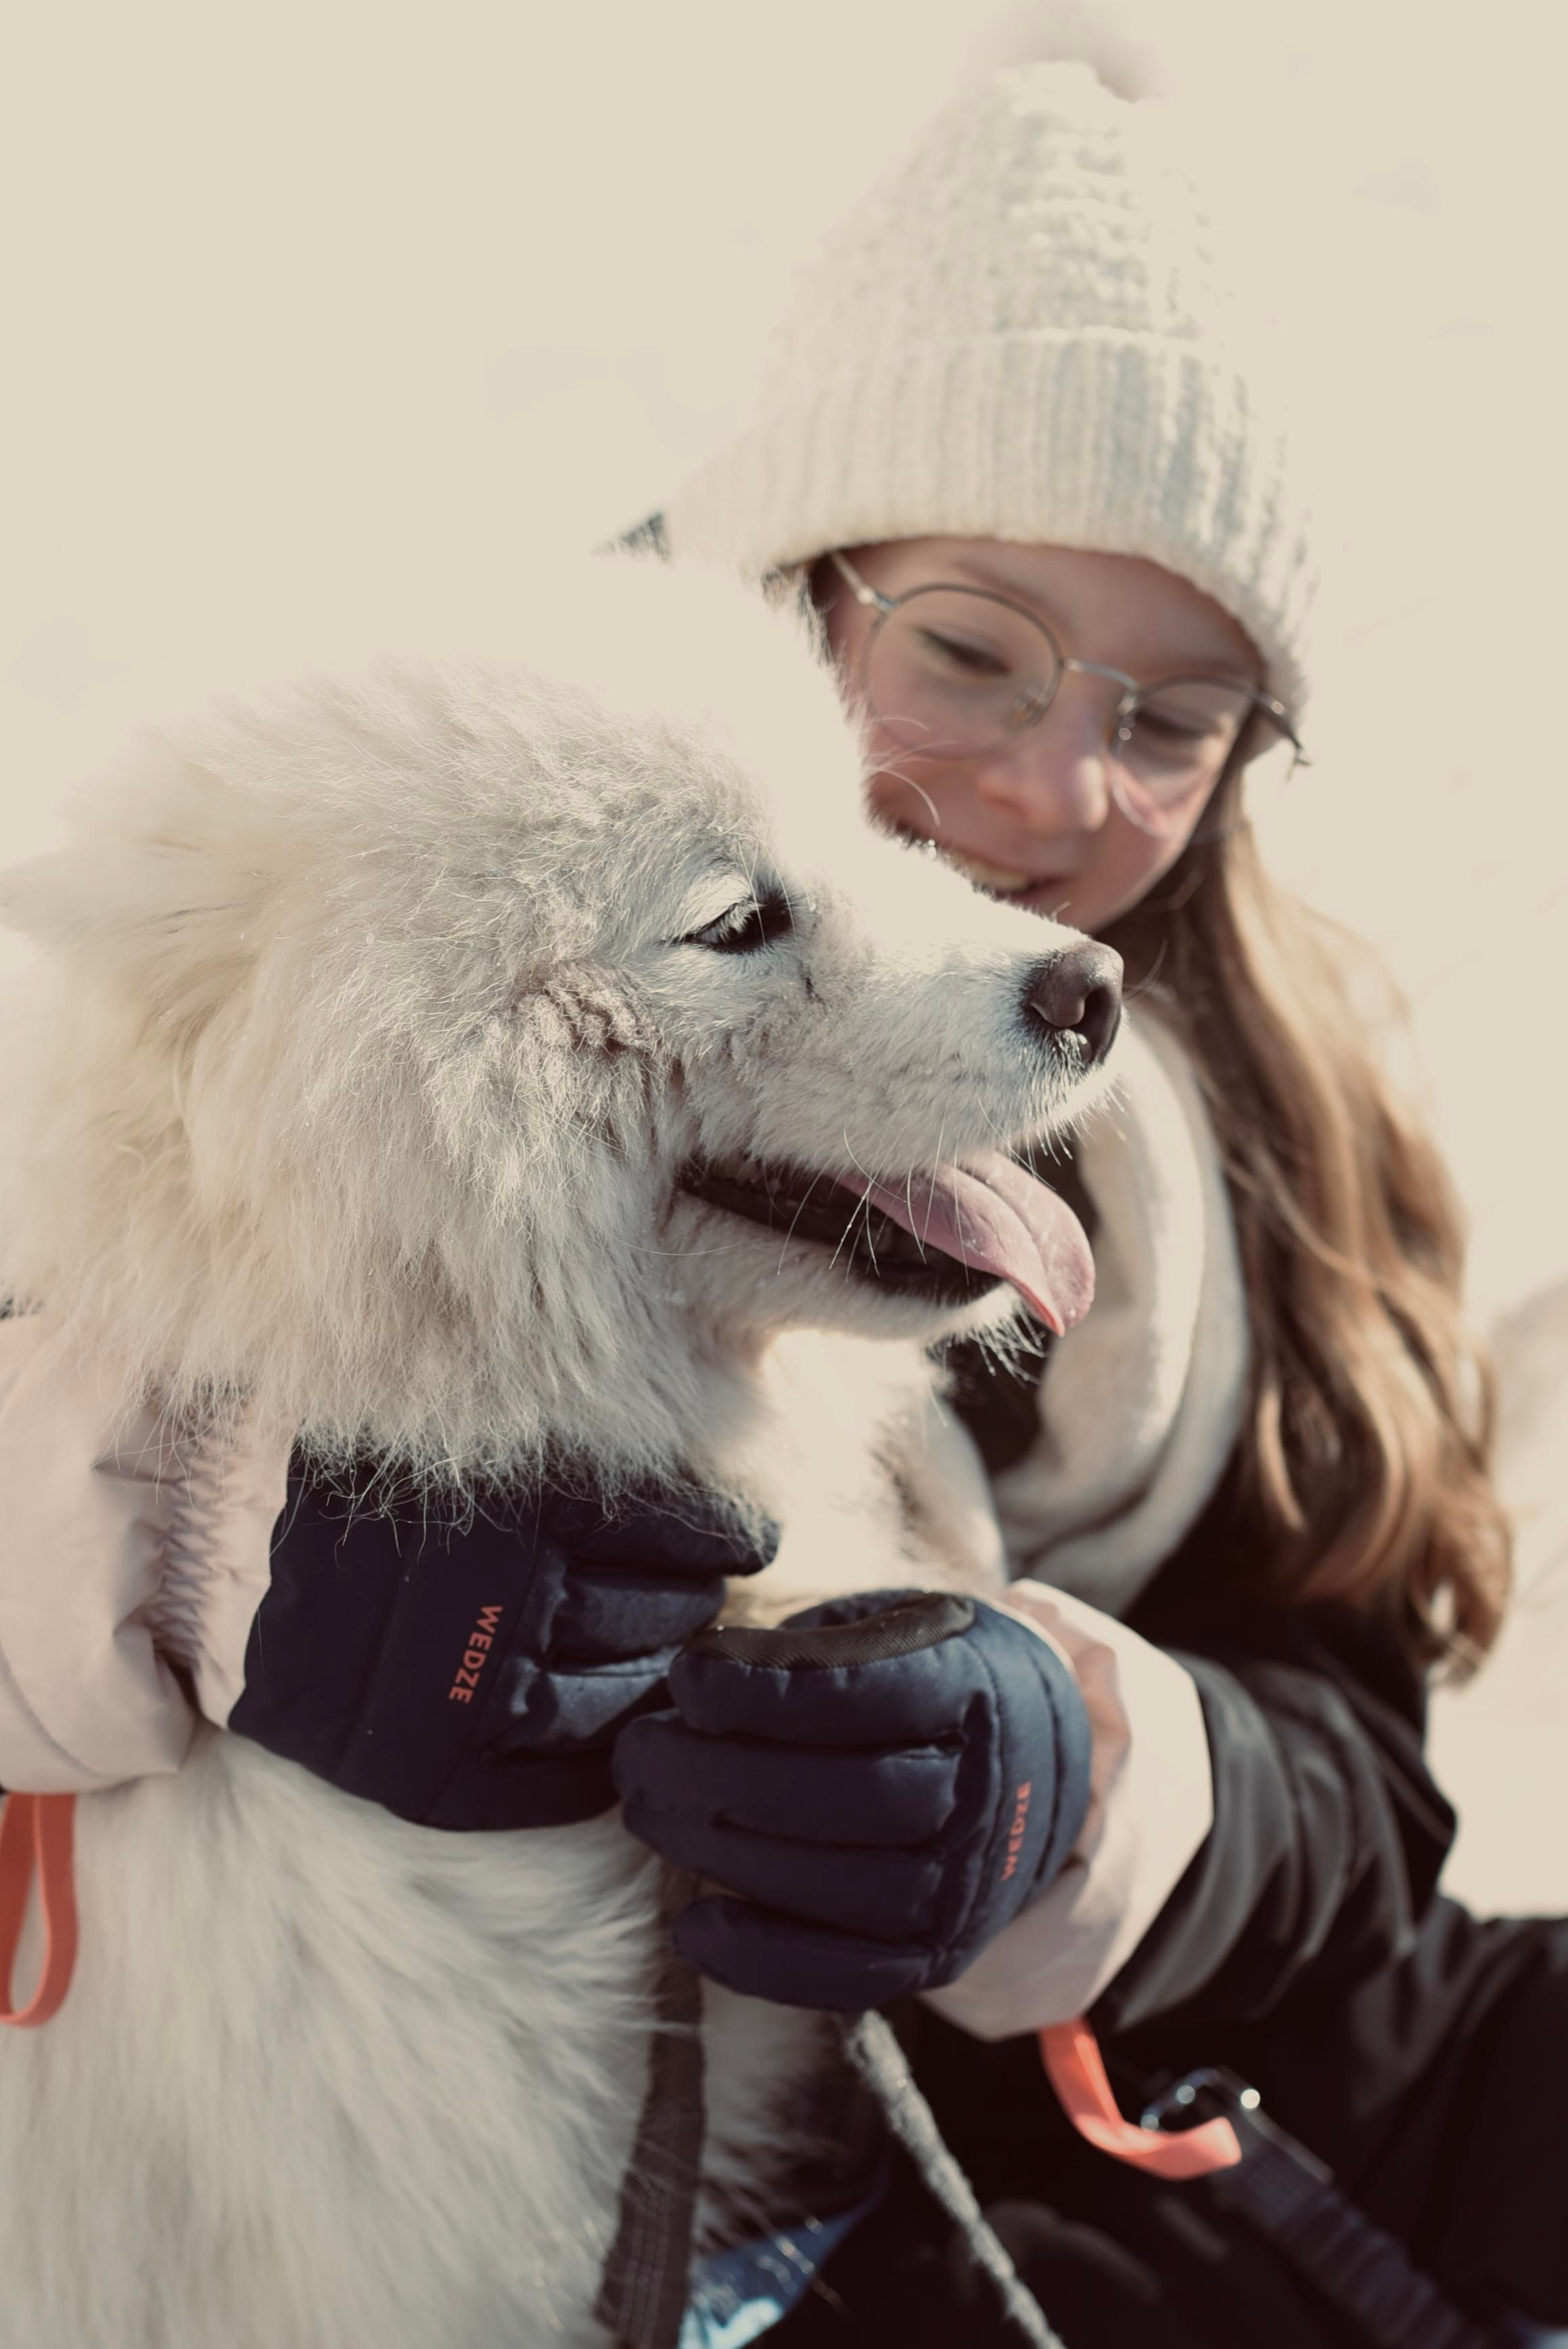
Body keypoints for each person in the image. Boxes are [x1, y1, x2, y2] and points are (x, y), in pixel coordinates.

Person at [0, 41, 1562, 2349]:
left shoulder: (1294, 1114)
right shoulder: (394, 849)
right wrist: (182, 1548)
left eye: (1173, 715)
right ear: (794, 578)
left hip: (1023, 2152)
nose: (1055, 789)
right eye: (967, 647)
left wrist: (1099, 1785)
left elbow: (1356, 1751)